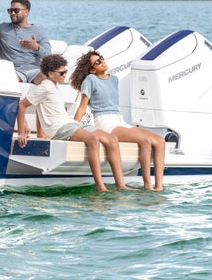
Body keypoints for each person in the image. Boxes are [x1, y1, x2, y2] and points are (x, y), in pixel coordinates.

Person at [16, 54, 131, 192]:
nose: (65, 75)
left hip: (69, 123)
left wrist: (41, 133)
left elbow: (40, 109)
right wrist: (22, 132)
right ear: (51, 74)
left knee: (111, 139)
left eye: (66, 71)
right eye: (62, 73)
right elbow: (22, 105)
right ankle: (100, 186)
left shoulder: (55, 86)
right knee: (93, 139)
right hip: (60, 128)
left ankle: (120, 184)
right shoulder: (44, 87)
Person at [71, 50, 166, 191]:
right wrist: (74, 128)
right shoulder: (90, 80)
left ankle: (158, 187)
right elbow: (82, 108)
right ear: (91, 69)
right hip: (105, 122)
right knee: (145, 141)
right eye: (97, 62)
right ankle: (147, 186)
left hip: (119, 120)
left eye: (102, 58)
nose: (102, 61)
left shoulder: (114, 79)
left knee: (160, 142)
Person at [0, 0, 50, 84]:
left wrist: (37, 48)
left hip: (34, 71)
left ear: (26, 12)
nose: (12, 13)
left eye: (16, 10)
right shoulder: (1, 28)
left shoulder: (40, 32)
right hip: (14, 70)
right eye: (10, 11)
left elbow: (48, 56)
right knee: (8, 80)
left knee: (47, 79)